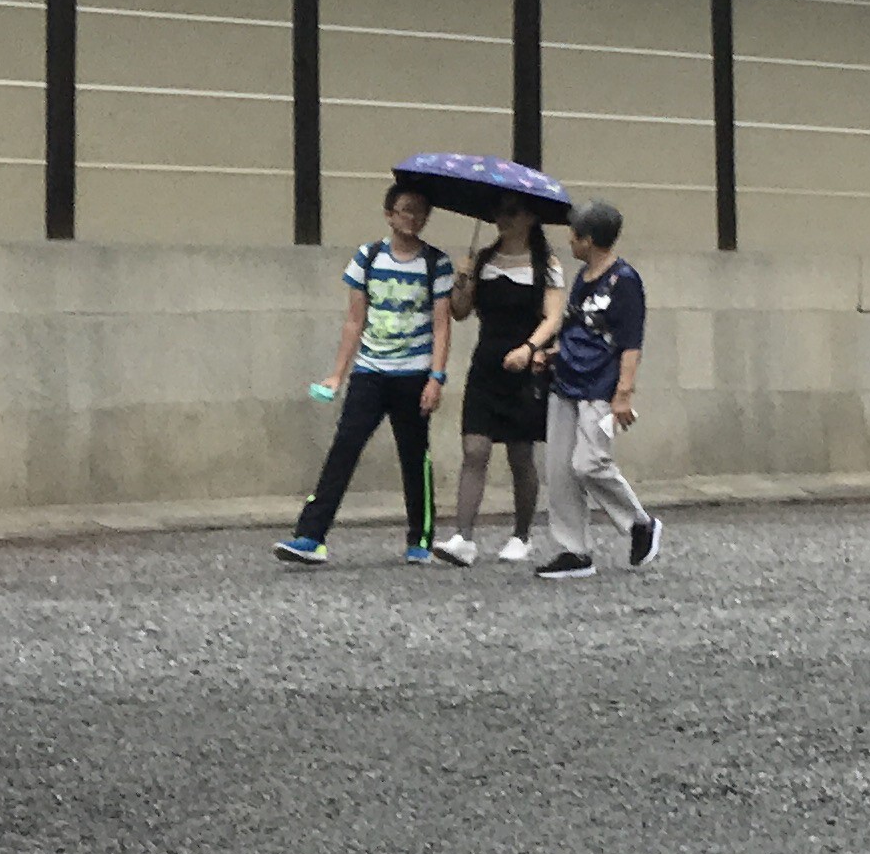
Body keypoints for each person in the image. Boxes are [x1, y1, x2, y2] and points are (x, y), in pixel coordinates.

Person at [277, 183, 455, 564]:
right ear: (389, 214)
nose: (413, 217)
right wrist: (337, 375)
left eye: (420, 211)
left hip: (414, 373)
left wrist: (435, 378)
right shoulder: (368, 257)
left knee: (414, 456)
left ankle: (420, 539)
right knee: (344, 447)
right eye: (405, 209)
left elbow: (442, 325)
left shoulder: (435, 263)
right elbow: (354, 320)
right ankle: (310, 536)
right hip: (370, 371)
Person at [536, 199, 660, 580]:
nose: (569, 241)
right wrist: (551, 353)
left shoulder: (625, 281)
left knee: (588, 462)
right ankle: (574, 550)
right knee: (559, 470)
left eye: (574, 235)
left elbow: (630, 342)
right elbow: (578, 327)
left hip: (600, 385)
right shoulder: (582, 277)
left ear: (588, 239)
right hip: (566, 380)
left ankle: (639, 523)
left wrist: (624, 392)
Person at [437, 213, 564, 566]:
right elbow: (460, 312)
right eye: (500, 212)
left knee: (520, 454)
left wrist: (529, 348)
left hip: (525, 367)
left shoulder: (546, 264)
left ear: (529, 219)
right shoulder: (484, 261)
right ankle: (463, 536)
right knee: (474, 448)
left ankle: (522, 535)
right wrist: (462, 280)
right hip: (487, 363)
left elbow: (553, 317)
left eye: (512, 212)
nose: (503, 219)